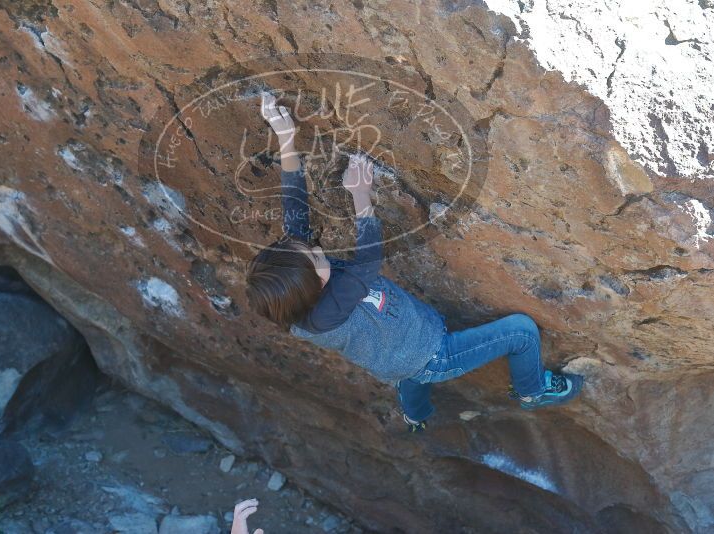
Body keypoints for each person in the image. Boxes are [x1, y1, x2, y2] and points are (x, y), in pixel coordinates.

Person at [246, 93, 583, 433]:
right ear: (314, 289)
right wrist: (361, 197)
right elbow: (366, 263)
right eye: (315, 258)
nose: (317, 249)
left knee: (410, 381)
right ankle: (533, 390)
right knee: (521, 332)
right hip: (435, 354)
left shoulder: (298, 291)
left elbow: (295, 211)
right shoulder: (329, 312)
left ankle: (415, 415)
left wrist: (285, 137)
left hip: (396, 359)